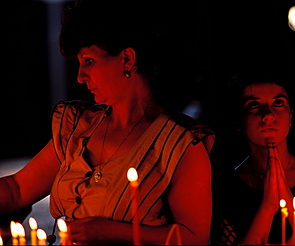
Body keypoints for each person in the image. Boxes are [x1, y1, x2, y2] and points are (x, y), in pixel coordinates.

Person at [0, 0, 215, 245]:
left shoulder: (180, 144)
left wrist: (110, 231)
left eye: (89, 61)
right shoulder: (76, 126)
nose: (80, 77)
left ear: (127, 58)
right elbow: (16, 189)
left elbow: (194, 238)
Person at [210, 71, 295, 245]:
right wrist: (268, 207)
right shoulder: (226, 189)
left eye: (278, 103)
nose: (268, 115)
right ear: (238, 121)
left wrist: (288, 199)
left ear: (291, 116)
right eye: (254, 105)